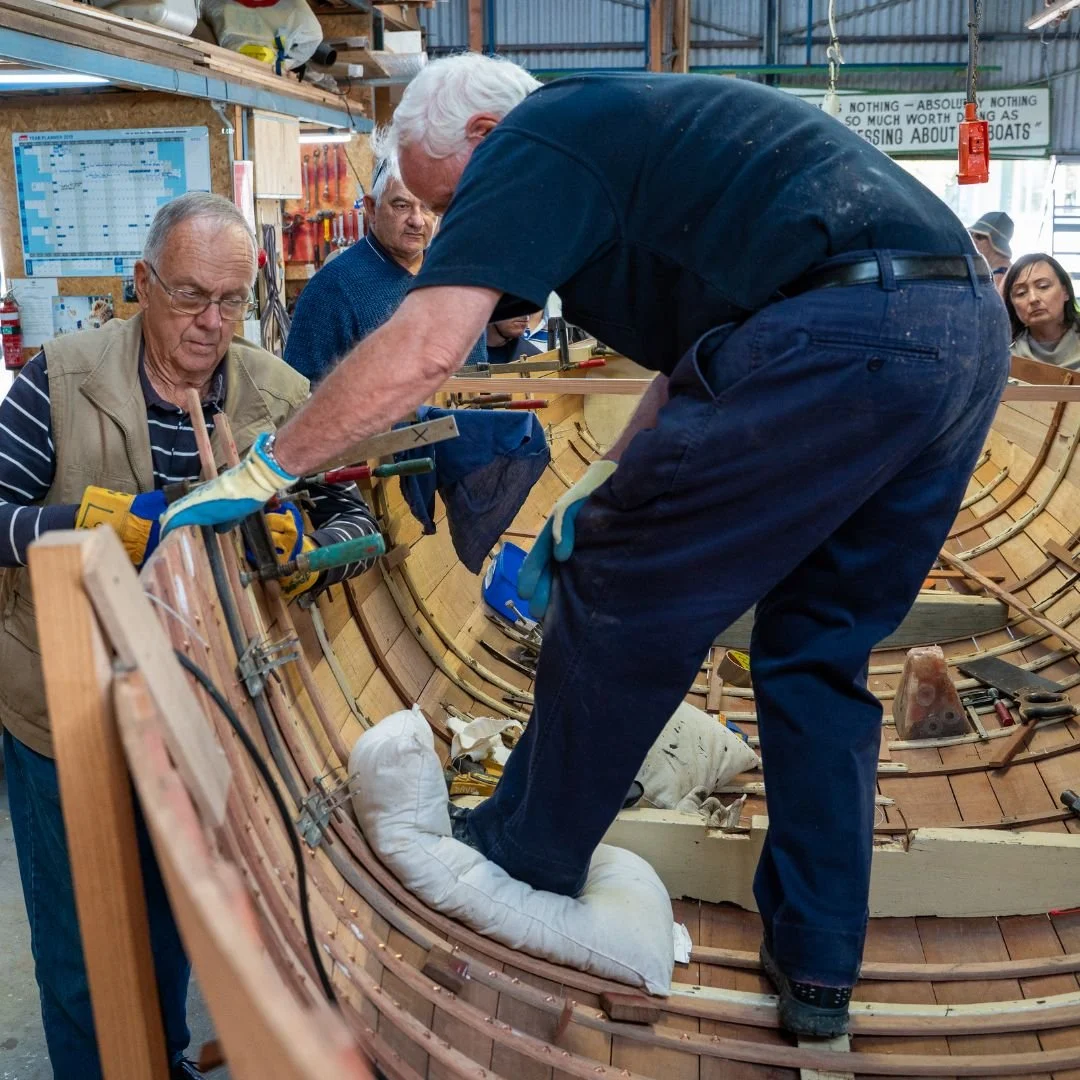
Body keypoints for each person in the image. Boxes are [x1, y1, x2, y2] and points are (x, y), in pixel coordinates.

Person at [161, 55, 1010, 1038]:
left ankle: (520, 860)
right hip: (959, 337)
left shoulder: (533, 136)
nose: (450, 230)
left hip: (850, 332)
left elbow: (429, 345)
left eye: (448, 203)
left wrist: (266, 468)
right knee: (815, 649)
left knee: (618, 583)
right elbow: (704, 370)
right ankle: (818, 967)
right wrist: (605, 476)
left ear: (482, 139)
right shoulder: (641, 139)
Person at [0, 191, 380, 1080]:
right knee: (83, 942)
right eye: (188, 297)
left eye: (232, 300)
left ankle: (158, 1057)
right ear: (141, 284)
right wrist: (84, 528)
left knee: (178, 917)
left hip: (209, 706)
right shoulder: (54, 377)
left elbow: (351, 513)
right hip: (59, 702)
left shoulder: (279, 393)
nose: (213, 324)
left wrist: (309, 551)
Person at [284, 155, 486, 382]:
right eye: (402, 206)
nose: (417, 221)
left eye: (427, 207)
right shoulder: (331, 289)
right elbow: (299, 394)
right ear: (371, 208)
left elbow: (478, 379)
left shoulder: (457, 281)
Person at [1003, 251, 1080, 368]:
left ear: (1066, 292)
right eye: (1021, 293)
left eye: (1043, 286)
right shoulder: (1004, 360)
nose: (1033, 299)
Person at [968, 211, 1014, 291]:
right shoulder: (996, 273)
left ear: (995, 242)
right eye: (971, 235)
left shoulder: (999, 279)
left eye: (979, 236)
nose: (973, 240)